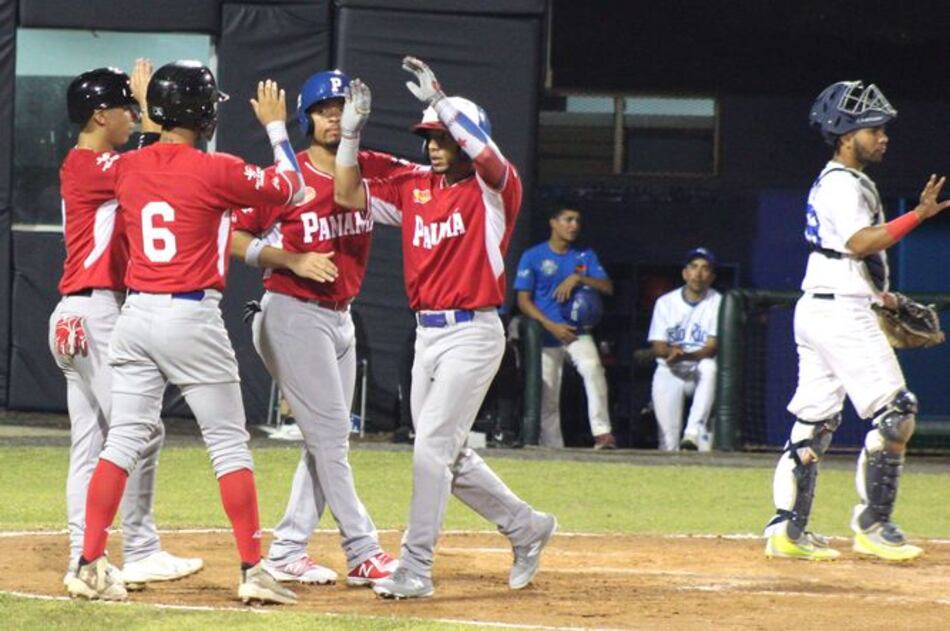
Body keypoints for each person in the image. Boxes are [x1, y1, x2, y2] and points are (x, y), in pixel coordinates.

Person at [65, 60, 305, 605]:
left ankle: (90, 563)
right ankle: (252, 568)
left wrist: (153, 114)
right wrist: (275, 126)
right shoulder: (216, 167)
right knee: (227, 443)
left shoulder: (126, 167)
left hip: (135, 317)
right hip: (189, 315)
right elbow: (291, 189)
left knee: (121, 440)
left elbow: (159, 166)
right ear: (201, 112)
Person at [333, 57, 557, 599]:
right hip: (426, 336)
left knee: (430, 450)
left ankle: (414, 567)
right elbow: (345, 191)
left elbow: (487, 154)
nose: (432, 145)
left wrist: (441, 103)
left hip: (473, 333)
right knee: (448, 456)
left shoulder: (495, 189)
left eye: (441, 137)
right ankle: (527, 526)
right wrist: (350, 132)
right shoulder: (415, 187)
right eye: (428, 137)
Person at [231, 69, 414, 587]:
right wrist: (290, 258)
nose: (333, 116)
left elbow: (423, 183)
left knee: (324, 441)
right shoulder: (289, 176)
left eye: (341, 107)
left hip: (340, 315)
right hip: (290, 310)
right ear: (306, 118)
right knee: (331, 438)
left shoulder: (368, 171)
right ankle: (363, 549)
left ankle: (288, 549)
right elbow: (234, 238)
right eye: (323, 108)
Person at [764, 80, 949, 562]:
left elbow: (845, 253)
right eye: (874, 128)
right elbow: (860, 243)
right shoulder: (842, 183)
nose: (883, 136)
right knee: (896, 410)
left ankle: (786, 530)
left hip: (825, 303)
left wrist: (881, 297)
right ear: (846, 135)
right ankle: (873, 523)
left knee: (815, 421)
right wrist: (918, 216)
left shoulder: (839, 181)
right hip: (839, 310)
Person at [51, 61, 202, 593]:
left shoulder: (89, 162)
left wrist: (147, 121)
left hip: (75, 313)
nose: (133, 114)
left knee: (92, 444)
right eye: (126, 106)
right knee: (141, 431)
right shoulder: (93, 163)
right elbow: (162, 163)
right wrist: (159, 119)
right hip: (97, 313)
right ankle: (139, 550)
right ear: (100, 114)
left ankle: (82, 557)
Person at [514, 206, 616, 449]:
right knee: (548, 393)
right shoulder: (533, 256)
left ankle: (603, 433)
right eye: (568, 220)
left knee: (593, 370)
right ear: (553, 222)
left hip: (577, 332)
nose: (574, 225)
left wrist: (579, 278)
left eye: (577, 220)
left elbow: (607, 287)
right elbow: (523, 301)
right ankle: (553, 447)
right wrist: (550, 325)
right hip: (547, 333)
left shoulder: (584, 255)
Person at [647, 247, 721, 451]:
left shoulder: (718, 301)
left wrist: (685, 355)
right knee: (667, 442)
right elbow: (658, 345)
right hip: (669, 369)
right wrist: (671, 354)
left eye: (705, 269)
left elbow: (711, 347)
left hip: (697, 369)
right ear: (685, 273)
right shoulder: (665, 302)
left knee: (709, 366)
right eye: (694, 267)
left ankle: (692, 433)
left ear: (711, 276)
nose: (698, 273)